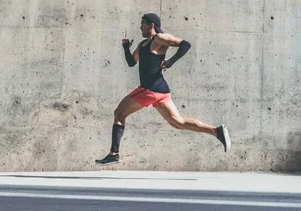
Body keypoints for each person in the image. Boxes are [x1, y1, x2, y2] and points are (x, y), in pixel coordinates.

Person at [96, 13, 230, 165]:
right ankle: (216, 131)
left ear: (151, 25)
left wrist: (171, 61)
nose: (140, 27)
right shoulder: (142, 44)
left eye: (143, 24)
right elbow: (131, 63)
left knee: (119, 113)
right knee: (178, 123)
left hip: (149, 90)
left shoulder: (159, 38)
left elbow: (185, 44)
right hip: (161, 92)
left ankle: (114, 153)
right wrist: (126, 47)